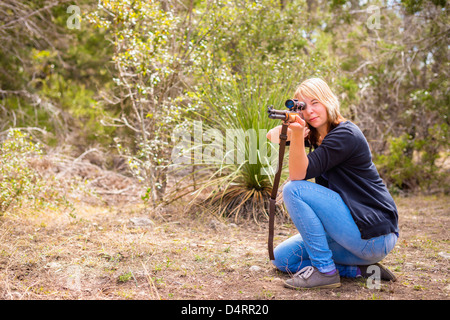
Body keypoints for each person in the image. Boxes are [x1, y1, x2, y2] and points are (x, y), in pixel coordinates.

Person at [266, 78, 399, 289]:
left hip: (374, 236)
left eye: (315, 102)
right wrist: (292, 124)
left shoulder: (345, 135)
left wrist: (298, 133)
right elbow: (271, 136)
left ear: (328, 100)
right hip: (352, 239)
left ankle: (325, 271)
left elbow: (297, 175)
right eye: (303, 106)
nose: (310, 111)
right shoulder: (315, 134)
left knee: (294, 190)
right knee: (282, 259)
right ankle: (358, 270)